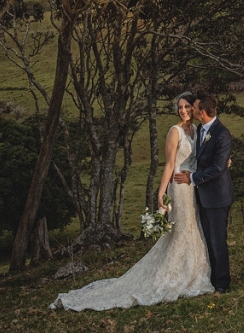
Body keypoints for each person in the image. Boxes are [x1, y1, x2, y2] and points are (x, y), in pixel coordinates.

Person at [50, 92, 213, 311]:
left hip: (193, 186)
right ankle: (175, 276)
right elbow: (168, 164)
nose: (183, 111)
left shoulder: (196, 130)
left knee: (195, 228)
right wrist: (161, 193)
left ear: (194, 109)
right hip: (179, 187)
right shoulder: (174, 132)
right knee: (181, 230)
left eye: (186, 107)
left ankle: (195, 272)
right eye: (180, 107)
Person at [174, 92, 234, 293]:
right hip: (203, 195)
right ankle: (211, 277)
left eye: (194, 107)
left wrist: (191, 178)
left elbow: (217, 168)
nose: (191, 109)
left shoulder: (222, 133)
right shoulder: (201, 128)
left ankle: (222, 283)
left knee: (218, 241)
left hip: (218, 196)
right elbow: (203, 159)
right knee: (207, 239)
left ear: (203, 112)